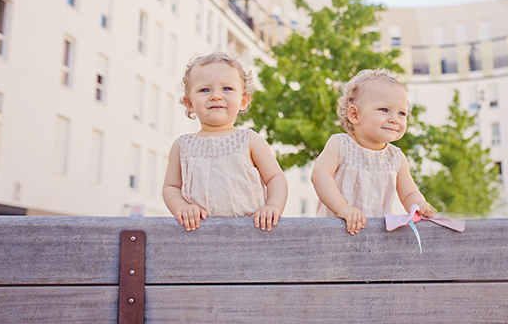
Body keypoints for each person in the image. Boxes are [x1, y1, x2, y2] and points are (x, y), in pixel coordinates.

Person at [163, 52, 288, 232]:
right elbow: (171, 187)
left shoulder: (249, 140)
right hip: (200, 235)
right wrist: (181, 207)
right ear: (189, 103)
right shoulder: (182, 146)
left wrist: (273, 206)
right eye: (205, 90)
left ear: (244, 101)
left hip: (251, 232)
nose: (216, 96)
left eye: (227, 89)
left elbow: (275, 177)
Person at [311, 68, 437, 234]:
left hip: (376, 235)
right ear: (355, 115)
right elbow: (320, 175)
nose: (394, 119)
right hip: (336, 231)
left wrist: (418, 203)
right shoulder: (340, 145)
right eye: (384, 110)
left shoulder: (395, 158)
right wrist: (342, 208)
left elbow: (409, 193)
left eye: (402, 113)